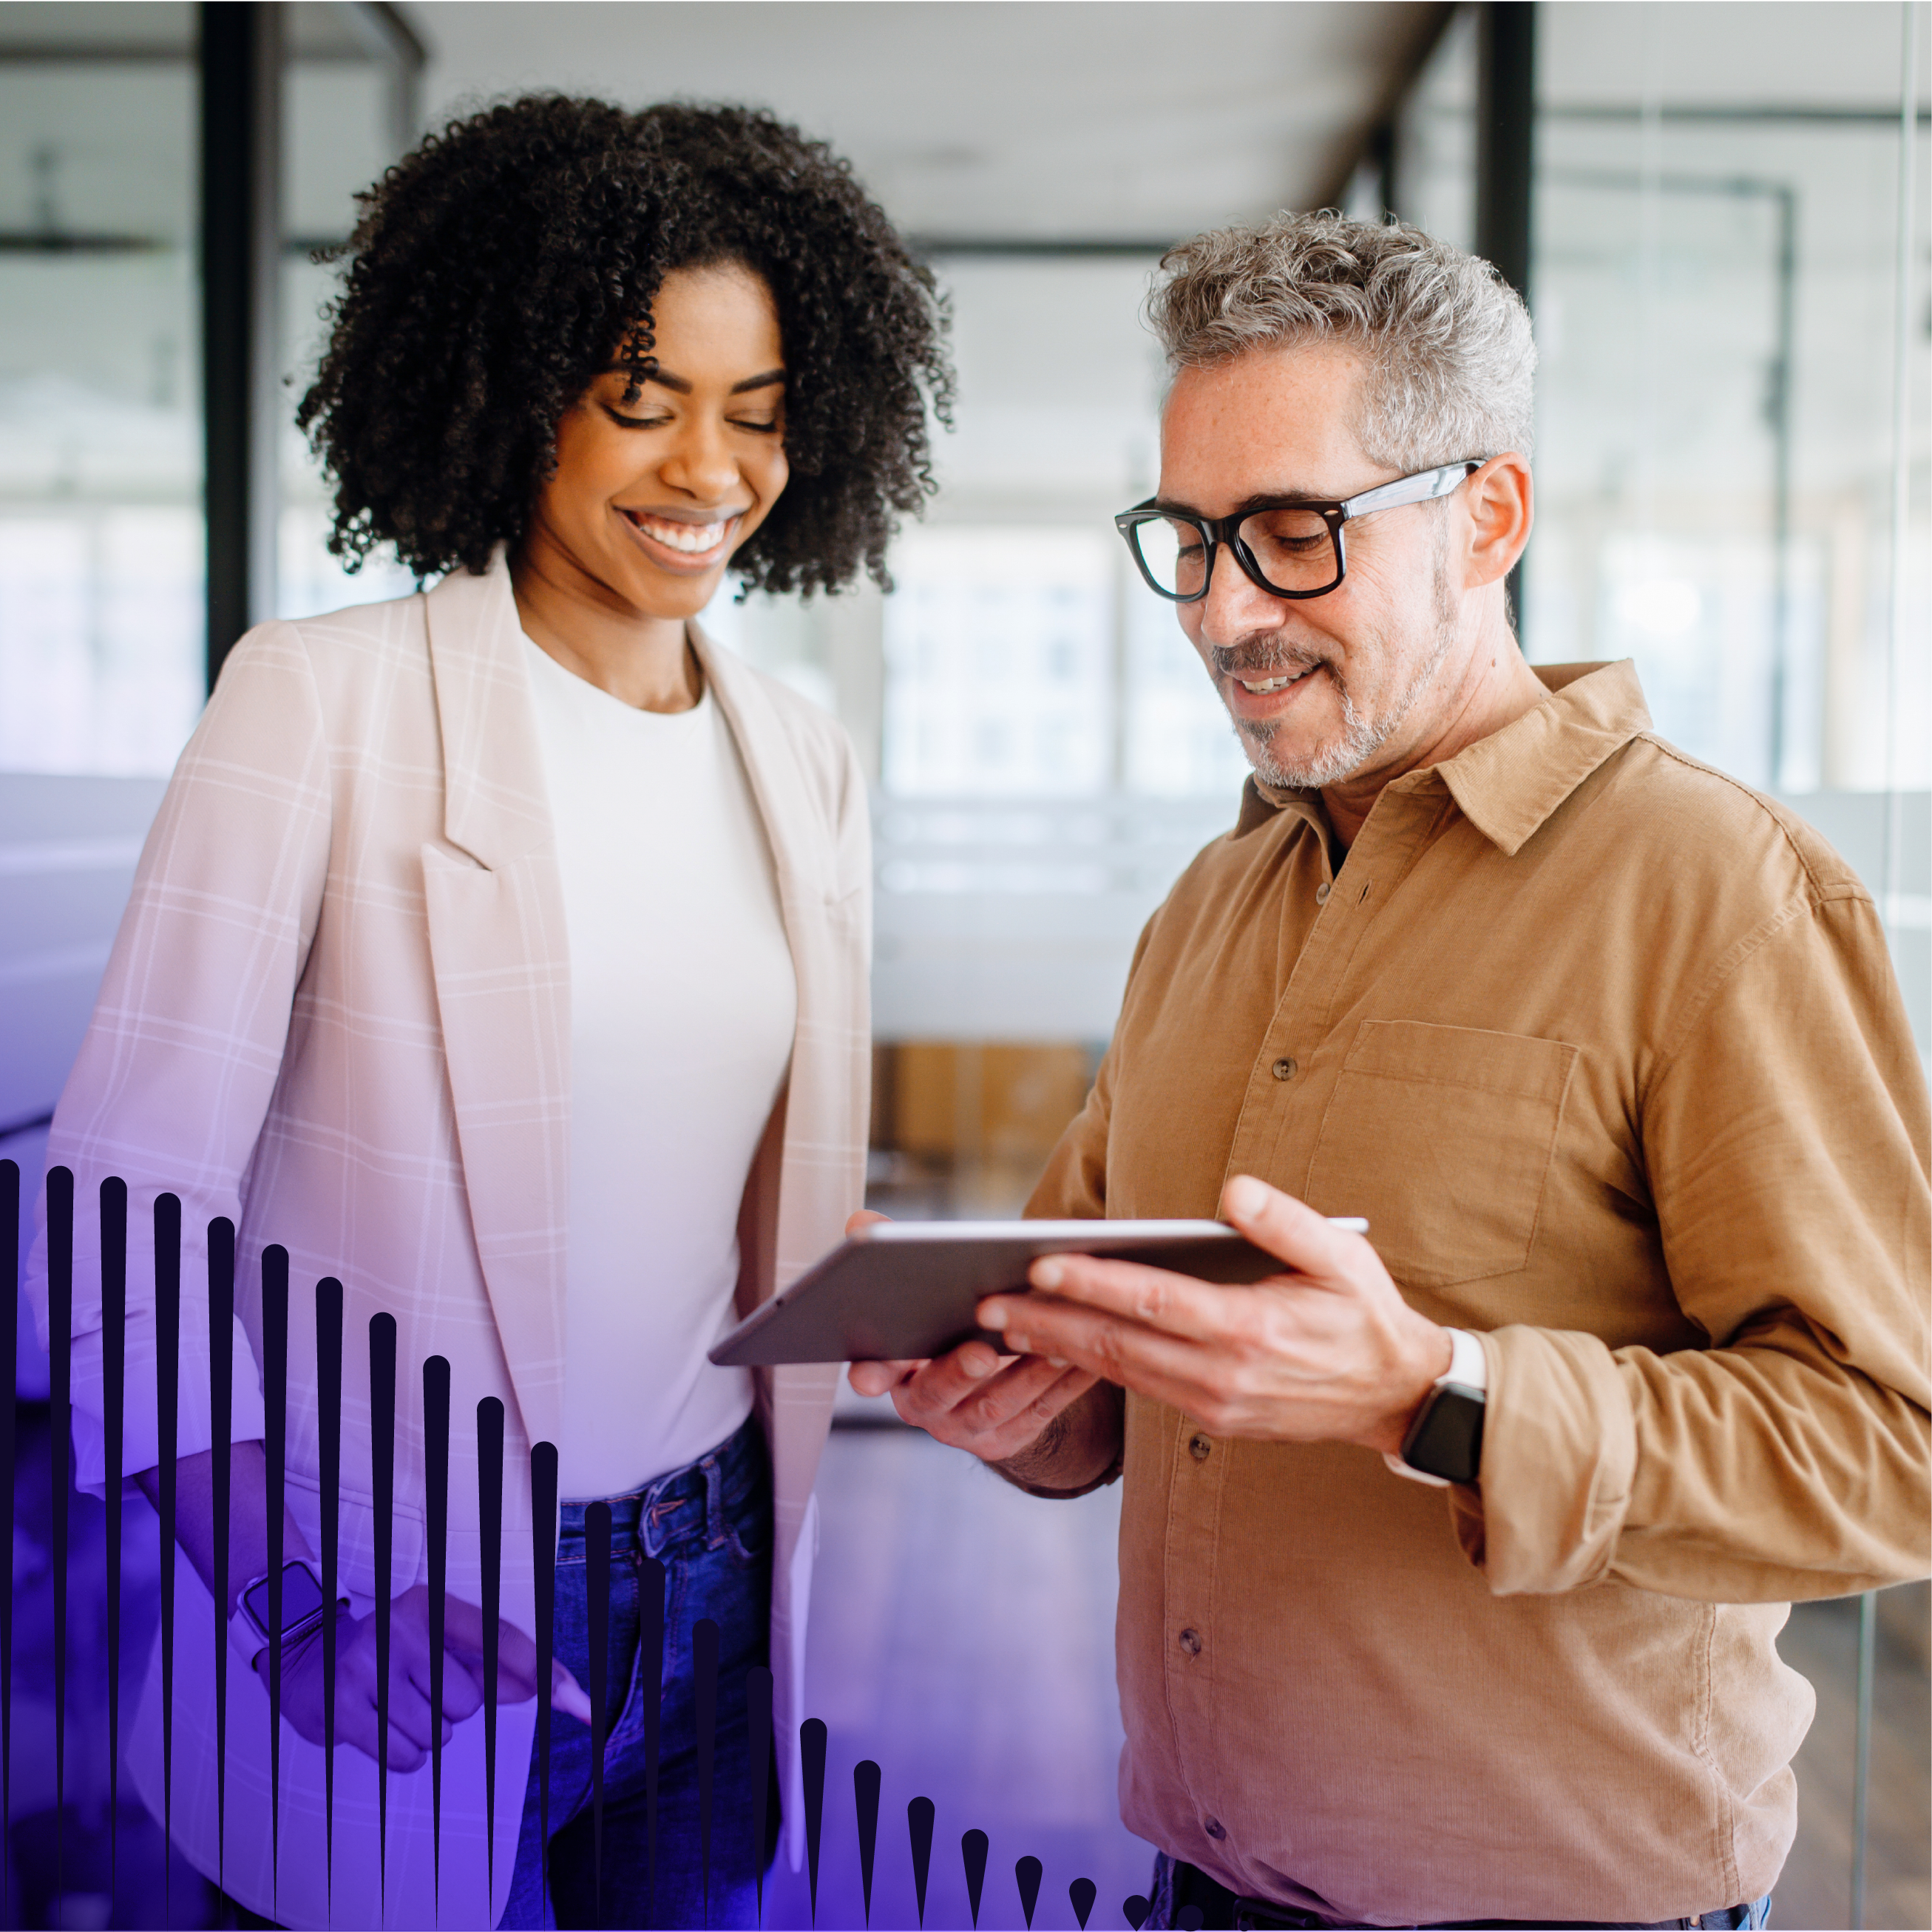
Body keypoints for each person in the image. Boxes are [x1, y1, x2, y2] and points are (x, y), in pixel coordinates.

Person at [852, 212, 1932, 1931]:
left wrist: (1424, 1388)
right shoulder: (1207, 907)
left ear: (1484, 516)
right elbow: (1107, 1390)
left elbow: (1891, 1451)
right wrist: (1015, 1411)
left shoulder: (1721, 895)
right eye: (1188, 538)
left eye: (1291, 534)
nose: (1220, 610)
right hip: (1196, 1884)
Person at [30, 96, 949, 1930]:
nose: (712, 466)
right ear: (512, 383)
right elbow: (127, 1210)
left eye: (758, 413)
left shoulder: (803, 758)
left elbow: (730, 1188)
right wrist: (292, 1599)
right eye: (643, 396)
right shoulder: (322, 703)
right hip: (382, 1590)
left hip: (716, 1579)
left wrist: (900, 1300)